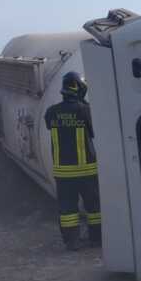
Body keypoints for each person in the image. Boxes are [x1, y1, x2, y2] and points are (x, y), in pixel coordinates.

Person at [44, 71, 101, 251]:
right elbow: (93, 131)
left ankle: (72, 242)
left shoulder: (51, 112)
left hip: (63, 172)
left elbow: (50, 126)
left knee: (67, 209)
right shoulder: (84, 110)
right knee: (94, 208)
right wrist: (84, 102)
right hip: (86, 170)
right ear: (80, 88)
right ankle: (96, 239)